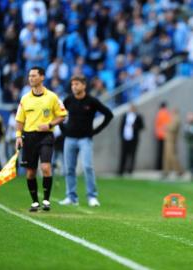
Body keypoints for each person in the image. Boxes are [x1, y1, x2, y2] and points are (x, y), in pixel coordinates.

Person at [15, 66, 67, 212]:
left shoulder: (52, 97)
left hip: (46, 136)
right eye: (29, 76)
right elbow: (19, 120)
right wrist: (18, 136)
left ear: (42, 77)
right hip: (29, 137)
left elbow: (63, 115)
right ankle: (35, 202)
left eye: (34, 76)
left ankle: (46, 200)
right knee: (30, 172)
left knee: (45, 167)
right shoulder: (25, 98)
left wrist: (50, 124)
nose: (31, 78)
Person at [59, 75, 113, 207]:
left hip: (85, 139)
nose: (74, 87)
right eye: (72, 85)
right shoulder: (68, 100)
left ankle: (92, 197)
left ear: (84, 85)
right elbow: (58, 114)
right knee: (69, 169)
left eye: (77, 84)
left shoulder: (92, 101)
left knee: (88, 167)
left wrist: (96, 131)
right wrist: (63, 130)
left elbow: (109, 115)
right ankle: (71, 197)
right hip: (70, 139)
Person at [118, 103, 144, 175]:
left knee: (132, 155)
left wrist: (135, 126)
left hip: (134, 139)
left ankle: (130, 170)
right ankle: (121, 170)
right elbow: (121, 126)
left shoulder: (138, 117)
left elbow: (142, 127)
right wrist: (121, 135)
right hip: (125, 138)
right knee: (123, 154)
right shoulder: (125, 116)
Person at [162, 108, 183, 177]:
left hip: (171, 140)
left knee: (172, 156)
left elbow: (173, 128)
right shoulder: (173, 118)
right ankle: (166, 171)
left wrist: (166, 126)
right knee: (167, 156)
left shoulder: (176, 119)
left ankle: (179, 170)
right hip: (169, 140)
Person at [154, 101, 171, 170]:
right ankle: (163, 167)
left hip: (159, 135)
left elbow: (157, 124)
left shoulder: (159, 113)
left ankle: (158, 167)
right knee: (165, 152)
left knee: (159, 152)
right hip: (165, 135)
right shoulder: (166, 113)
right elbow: (168, 124)